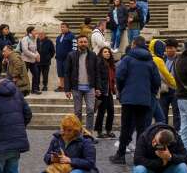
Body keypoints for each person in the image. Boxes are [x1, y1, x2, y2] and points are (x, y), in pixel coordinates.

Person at [110, 36, 160, 165]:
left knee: (126, 127)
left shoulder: (127, 59)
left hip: (128, 99)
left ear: (133, 45)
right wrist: (151, 93)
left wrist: (122, 91)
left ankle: (120, 155)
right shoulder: (151, 61)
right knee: (142, 129)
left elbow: (119, 77)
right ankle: (139, 157)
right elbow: (156, 81)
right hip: (145, 99)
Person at [65, 34, 101, 137]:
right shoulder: (71, 55)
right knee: (77, 111)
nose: (83, 44)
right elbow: (67, 73)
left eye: (85, 42)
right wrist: (67, 90)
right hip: (76, 87)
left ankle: (88, 132)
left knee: (90, 110)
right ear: (77, 43)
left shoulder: (93, 55)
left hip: (90, 87)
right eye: (81, 42)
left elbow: (97, 72)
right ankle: (78, 132)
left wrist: (98, 87)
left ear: (88, 43)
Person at [92, 46, 118, 138]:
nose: (107, 53)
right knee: (101, 111)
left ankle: (108, 130)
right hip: (102, 90)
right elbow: (98, 76)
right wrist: (98, 88)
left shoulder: (110, 64)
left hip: (109, 91)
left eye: (108, 52)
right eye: (105, 52)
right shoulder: (99, 62)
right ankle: (99, 131)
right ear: (101, 53)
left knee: (111, 111)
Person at [54, 23, 74, 93]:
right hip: (59, 58)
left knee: (67, 73)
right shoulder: (59, 36)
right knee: (60, 73)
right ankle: (61, 86)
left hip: (67, 58)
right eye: (61, 27)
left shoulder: (71, 36)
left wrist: (72, 56)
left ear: (68, 28)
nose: (62, 28)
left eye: (64, 27)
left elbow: (74, 47)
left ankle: (68, 87)